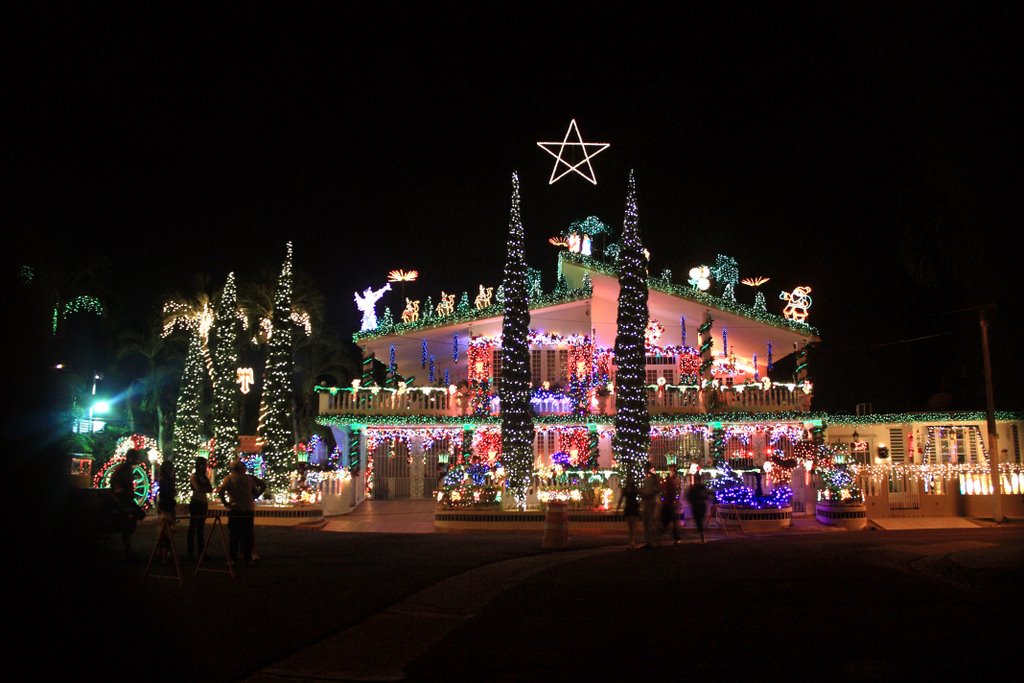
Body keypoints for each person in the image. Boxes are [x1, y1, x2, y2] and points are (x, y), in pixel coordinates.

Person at [216, 458, 266, 564]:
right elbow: (256, 490)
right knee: (247, 534)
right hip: (248, 509)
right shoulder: (248, 479)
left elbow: (221, 491)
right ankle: (247, 558)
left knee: (233, 534)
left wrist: (226, 503)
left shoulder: (229, 479)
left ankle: (233, 558)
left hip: (235, 509)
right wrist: (253, 497)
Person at [110, 449, 146, 560]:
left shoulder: (126, 469)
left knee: (134, 518)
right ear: (130, 457)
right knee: (129, 521)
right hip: (123, 500)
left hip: (126, 499)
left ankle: (128, 549)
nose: (137, 460)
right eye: (135, 457)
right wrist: (123, 494)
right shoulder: (122, 470)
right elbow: (116, 485)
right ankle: (128, 550)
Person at [187, 457, 213, 558]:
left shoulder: (204, 477)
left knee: (201, 528)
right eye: (204, 465)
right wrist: (204, 488)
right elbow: (198, 488)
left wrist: (204, 488)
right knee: (193, 527)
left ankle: (201, 551)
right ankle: (191, 551)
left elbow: (209, 489)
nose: (205, 467)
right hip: (196, 502)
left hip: (203, 503)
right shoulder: (194, 476)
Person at [156, 460, 177, 563]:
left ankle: (165, 554)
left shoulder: (165, 479)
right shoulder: (166, 479)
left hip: (167, 505)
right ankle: (165, 555)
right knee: (166, 531)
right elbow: (169, 492)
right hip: (166, 506)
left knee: (167, 531)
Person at [638, 463, 661, 548]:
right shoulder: (646, 479)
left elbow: (657, 489)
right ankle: (648, 542)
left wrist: (649, 494)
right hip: (647, 502)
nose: (644, 470)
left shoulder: (653, 478)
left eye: (645, 468)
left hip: (652, 502)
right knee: (646, 522)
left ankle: (653, 541)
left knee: (650, 522)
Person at [686, 474, 713, 544]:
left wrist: (692, 502)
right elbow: (707, 494)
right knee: (699, 520)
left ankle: (702, 535)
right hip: (701, 505)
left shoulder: (693, 487)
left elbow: (688, 496)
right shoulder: (702, 487)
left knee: (699, 521)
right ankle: (702, 535)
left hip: (697, 506)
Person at [659, 464, 683, 544]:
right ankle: (675, 537)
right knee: (672, 520)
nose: (670, 471)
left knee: (669, 520)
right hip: (669, 503)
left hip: (669, 503)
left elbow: (673, 491)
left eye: (671, 470)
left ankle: (662, 536)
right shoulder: (670, 480)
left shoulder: (671, 481)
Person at [615, 478, 641, 549]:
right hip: (629, 508)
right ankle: (631, 542)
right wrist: (617, 509)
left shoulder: (634, 489)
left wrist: (640, 504)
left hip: (634, 508)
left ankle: (632, 542)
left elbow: (641, 494)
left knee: (633, 526)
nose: (629, 481)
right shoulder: (625, 489)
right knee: (630, 527)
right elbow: (621, 499)